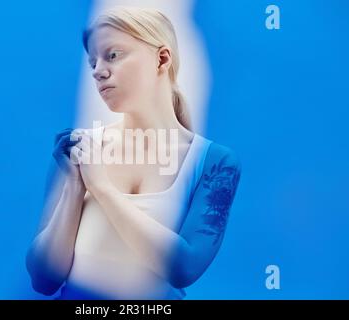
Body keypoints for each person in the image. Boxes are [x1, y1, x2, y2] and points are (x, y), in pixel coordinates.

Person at [26, 6, 242, 299]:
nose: (98, 72)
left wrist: (101, 187)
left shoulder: (216, 163)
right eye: (92, 63)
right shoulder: (78, 149)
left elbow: (183, 267)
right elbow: (43, 279)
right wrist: (74, 189)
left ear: (162, 58)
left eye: (113, 55)